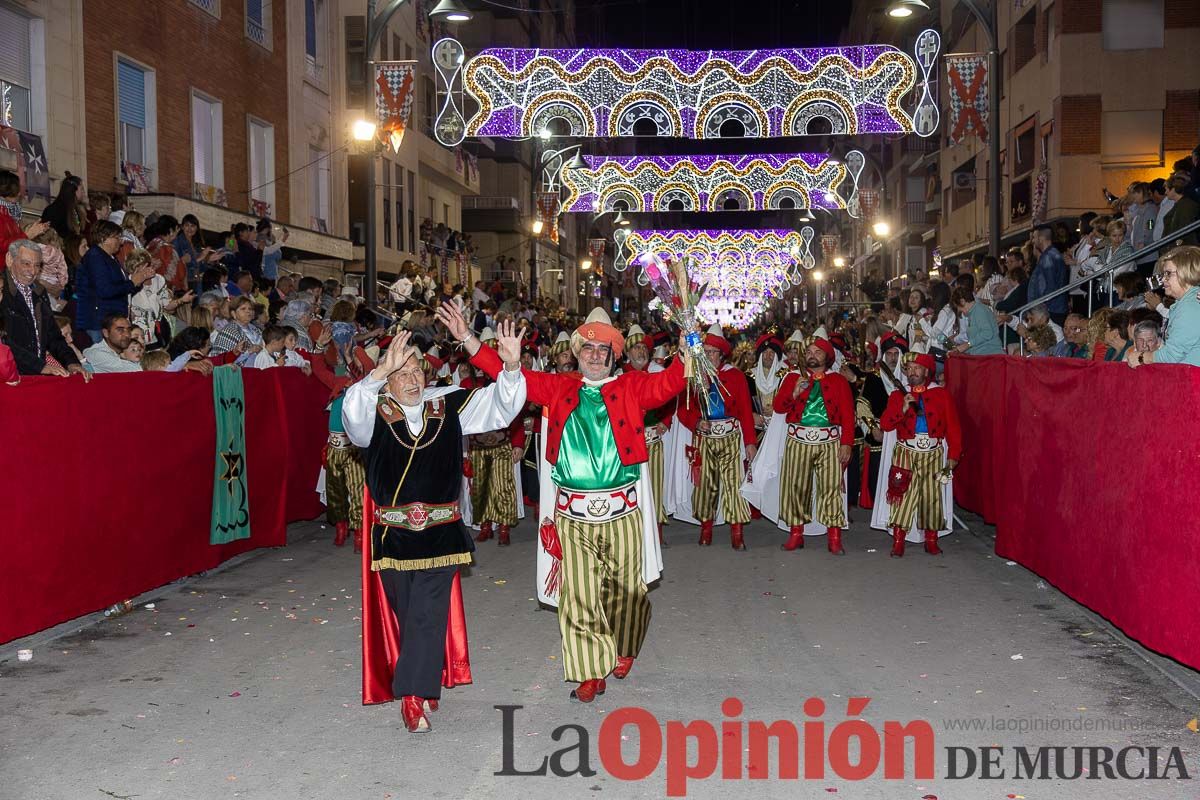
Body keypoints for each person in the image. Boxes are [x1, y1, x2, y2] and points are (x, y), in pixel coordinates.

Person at [455, 303, 685, 703]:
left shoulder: (632, 387)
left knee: (627, 592)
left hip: (622, 512)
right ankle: (589, 670)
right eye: (588, 349)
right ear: (578, 354)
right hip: (572, 515)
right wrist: (470, 340)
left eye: (603, 350)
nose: (595, 355)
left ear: (613, 356)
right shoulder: (559, 387)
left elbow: (671, 384)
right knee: (578, 595)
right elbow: (510, 375)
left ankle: (626, 644)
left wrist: (689, 347)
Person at [342, 321, 525, 733]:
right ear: (387, 378)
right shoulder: (372, 410)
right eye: (401, 373)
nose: (412, 380)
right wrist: (375, 373)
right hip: (393, 538)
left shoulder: (450, 406)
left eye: (418, 371)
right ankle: (426, 684)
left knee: (426, 614)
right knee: (410, 615)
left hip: (442, 536)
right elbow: (351, 421)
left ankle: (411, 696)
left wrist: (510, 368)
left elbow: (503, 406)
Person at [759, 336, 855, 555]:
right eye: (809, 352)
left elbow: (849, 415)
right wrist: (793, 392)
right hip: (798, 440)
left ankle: (834, 536)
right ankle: (796, 534)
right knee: (796, 487)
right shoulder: (793, 377)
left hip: (829, 441)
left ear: (826, 357)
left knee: (831, 489)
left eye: (817, 352)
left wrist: (847, 443)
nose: (812, 355)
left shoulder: (839, 381)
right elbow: (779, 408)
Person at [675, 325, 757, 550]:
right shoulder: (693, 376)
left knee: (733, 484)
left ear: (721, 355)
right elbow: (682, 408)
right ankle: (706, 528)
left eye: (713, 352)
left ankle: (737, 531)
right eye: (706, 351)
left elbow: (745, 411)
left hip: (730, 436)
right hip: (704, 437)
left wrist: (750, 442)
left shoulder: (736, 376)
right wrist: (695, 422)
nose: (709, 355)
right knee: (705, 484)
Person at [875, 352, 961, 557]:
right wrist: (903, 409)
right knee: (902, 494)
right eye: (909, 368)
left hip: (933, 452)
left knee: (932, 495)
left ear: (927, 371)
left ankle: (930, 539)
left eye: (917, 368)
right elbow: (886, 424)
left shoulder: (941, 394)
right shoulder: (898, 396)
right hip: (906, 452)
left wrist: (954, 454)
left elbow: (953, 427)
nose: (912, 372)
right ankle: (898, 539)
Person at [1, 240, 87, 378]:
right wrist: (39, 366)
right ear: (10, 259)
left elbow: (53, 335)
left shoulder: (39, 292)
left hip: (35, 376)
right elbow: (3, 342)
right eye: (26, 264)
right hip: (10, 375)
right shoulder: (2, 291)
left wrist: (71, 362)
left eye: (37, 265)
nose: (33, 271)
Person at [75, 220, 156, 344]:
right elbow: (105, 290)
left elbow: (121, 289)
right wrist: (132, 283)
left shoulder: (109, 257)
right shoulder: (95, 257)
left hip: (109, 319)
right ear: (103, 238)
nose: (121, 241)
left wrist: (139, 280)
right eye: (117, 237)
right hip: (98, 320)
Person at [1127, 247, 1200, 367]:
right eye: (1163, 274)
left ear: (1186, 272)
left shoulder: (1190, 306)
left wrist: (1141, 357)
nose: (1163, 279)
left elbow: (1171, 355)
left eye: (1168, 274)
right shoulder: (1184, 304)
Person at [0, 170, 50, 256]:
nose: (19, 194)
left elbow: (13, 238)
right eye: (15, 189)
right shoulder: (5, 212)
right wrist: (27, 235)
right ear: (5, 190)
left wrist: (34, 230)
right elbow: (3, 246)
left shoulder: (11, 211)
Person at [1029, 225, 1068, 324]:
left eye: (1034, 237)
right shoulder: (1050, 255)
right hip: (1052, 309)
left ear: (1041, 238)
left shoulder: (1049, 257)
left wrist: (1042, 307)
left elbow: (1051, 285)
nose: (1032, 241)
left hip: (1051, 311)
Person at [951, 287, 1004, 355]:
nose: (959, 310)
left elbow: (987, 333)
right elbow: (976, 342)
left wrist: (967, 345)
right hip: (981, 354)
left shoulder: (979, 310)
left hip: (990, 355)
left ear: (962, 301)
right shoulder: (973, 312)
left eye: (958, 306)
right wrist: (960, 349)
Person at [39, 173, 85, 240]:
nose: (83, 192)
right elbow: (47, 235)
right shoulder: (54, 210)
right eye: (82, 189)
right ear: (74, 191)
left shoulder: (75, 210)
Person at [1161, 176, 1199, 248]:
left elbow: (1185, 231)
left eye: (1167, 189)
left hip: (1181, 249)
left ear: (1173, 189)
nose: (1165, 192)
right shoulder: (1180, 204)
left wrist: (1176, 246)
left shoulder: (1186, 206)